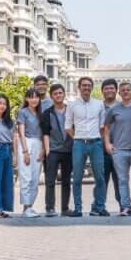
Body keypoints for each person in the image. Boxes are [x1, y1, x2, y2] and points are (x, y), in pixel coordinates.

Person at [65, 76, 108, 217]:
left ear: (92, 87)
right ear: (79, 87)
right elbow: (67, 126)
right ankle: (78, 208)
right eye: (84, 85)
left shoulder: (99, 104)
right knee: (77, 178)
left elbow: (102, 126)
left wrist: (96, 138)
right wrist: (77, 138)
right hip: (79, 144)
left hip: (96, 143)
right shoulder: (72, 105)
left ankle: (99, 207)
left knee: (100, 177)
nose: (87, 88)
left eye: (89, 85)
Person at [103, 81, 131, 216]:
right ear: (119, 93)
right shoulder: (114, 109)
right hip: (120, 151)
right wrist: (108, 144)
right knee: (122, 180)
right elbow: (107, 128)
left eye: (128, 89)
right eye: (123, 90)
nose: (126, 92)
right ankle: (126, 207)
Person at [41, 83, 73, 217]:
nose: (58, 95)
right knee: (50, 180)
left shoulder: (71, 111)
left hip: (69, 150)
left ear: (64, 94)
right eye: (55, 94)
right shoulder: (47, 113)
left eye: (60, 93)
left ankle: (65, 208)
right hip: (53, 151)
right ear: (51, 96)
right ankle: (50, 208)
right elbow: (45, 133)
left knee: (66, 181)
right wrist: (47, 151)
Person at [16, 88, 44, 218]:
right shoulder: (23, 112)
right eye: (31, 97)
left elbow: (44, 133)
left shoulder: (41, 113)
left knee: (35, 177)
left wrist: (43, 149)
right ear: (27, 99)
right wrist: (25, 151)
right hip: (26, 142)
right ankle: (25, 207)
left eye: (36, 97)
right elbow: (21, 132)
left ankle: (30, 206)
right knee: (26, 176)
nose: (34, 100)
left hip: (38, 143)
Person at [100, 79, 122, 211]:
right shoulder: (97, 107)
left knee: (120, 180)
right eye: (106, 88)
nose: (109, 90)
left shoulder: (122, 106)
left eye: (112, 88)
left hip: (119, 149)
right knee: (102, 180)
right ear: (102, 91)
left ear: (116, 90)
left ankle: (123, 205)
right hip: (101, 149)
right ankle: (100, 206)